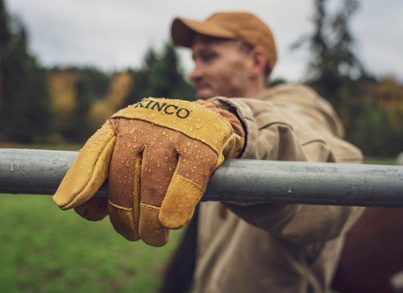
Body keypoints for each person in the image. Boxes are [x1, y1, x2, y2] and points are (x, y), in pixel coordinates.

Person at [53, 11, 364, 293]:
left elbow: (324, 166)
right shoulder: (211, 145)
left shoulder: (300, 107)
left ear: (256, 62)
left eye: (208, 57)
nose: (194, 73)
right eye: (194, 60)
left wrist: (233, 120)